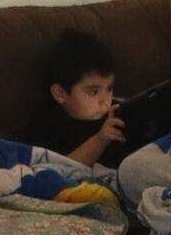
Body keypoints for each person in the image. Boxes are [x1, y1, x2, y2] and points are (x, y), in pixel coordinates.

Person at [27, 27, 128, 167]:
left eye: (109, 89)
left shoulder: (114, 114)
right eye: (93, 92)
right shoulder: (48, 125)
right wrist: (101, 139)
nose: (105, 102)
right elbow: (56, 170)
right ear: (60, 94)